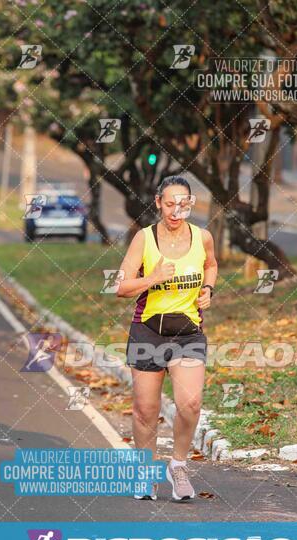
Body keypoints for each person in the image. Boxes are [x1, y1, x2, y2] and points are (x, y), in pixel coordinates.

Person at [117, 176, 218, 501]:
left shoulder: (202, 237)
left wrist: (207, 289)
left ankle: (178, 466)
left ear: (190, 204)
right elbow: (120, 287)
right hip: (148, 331)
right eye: (170, 203)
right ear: (158, 202)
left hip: (187, 333)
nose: (176, 211)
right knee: (146, 410)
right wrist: (153, 278)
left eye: (183, 204)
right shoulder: (143, 239)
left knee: (190, 404)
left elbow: (212, 266)